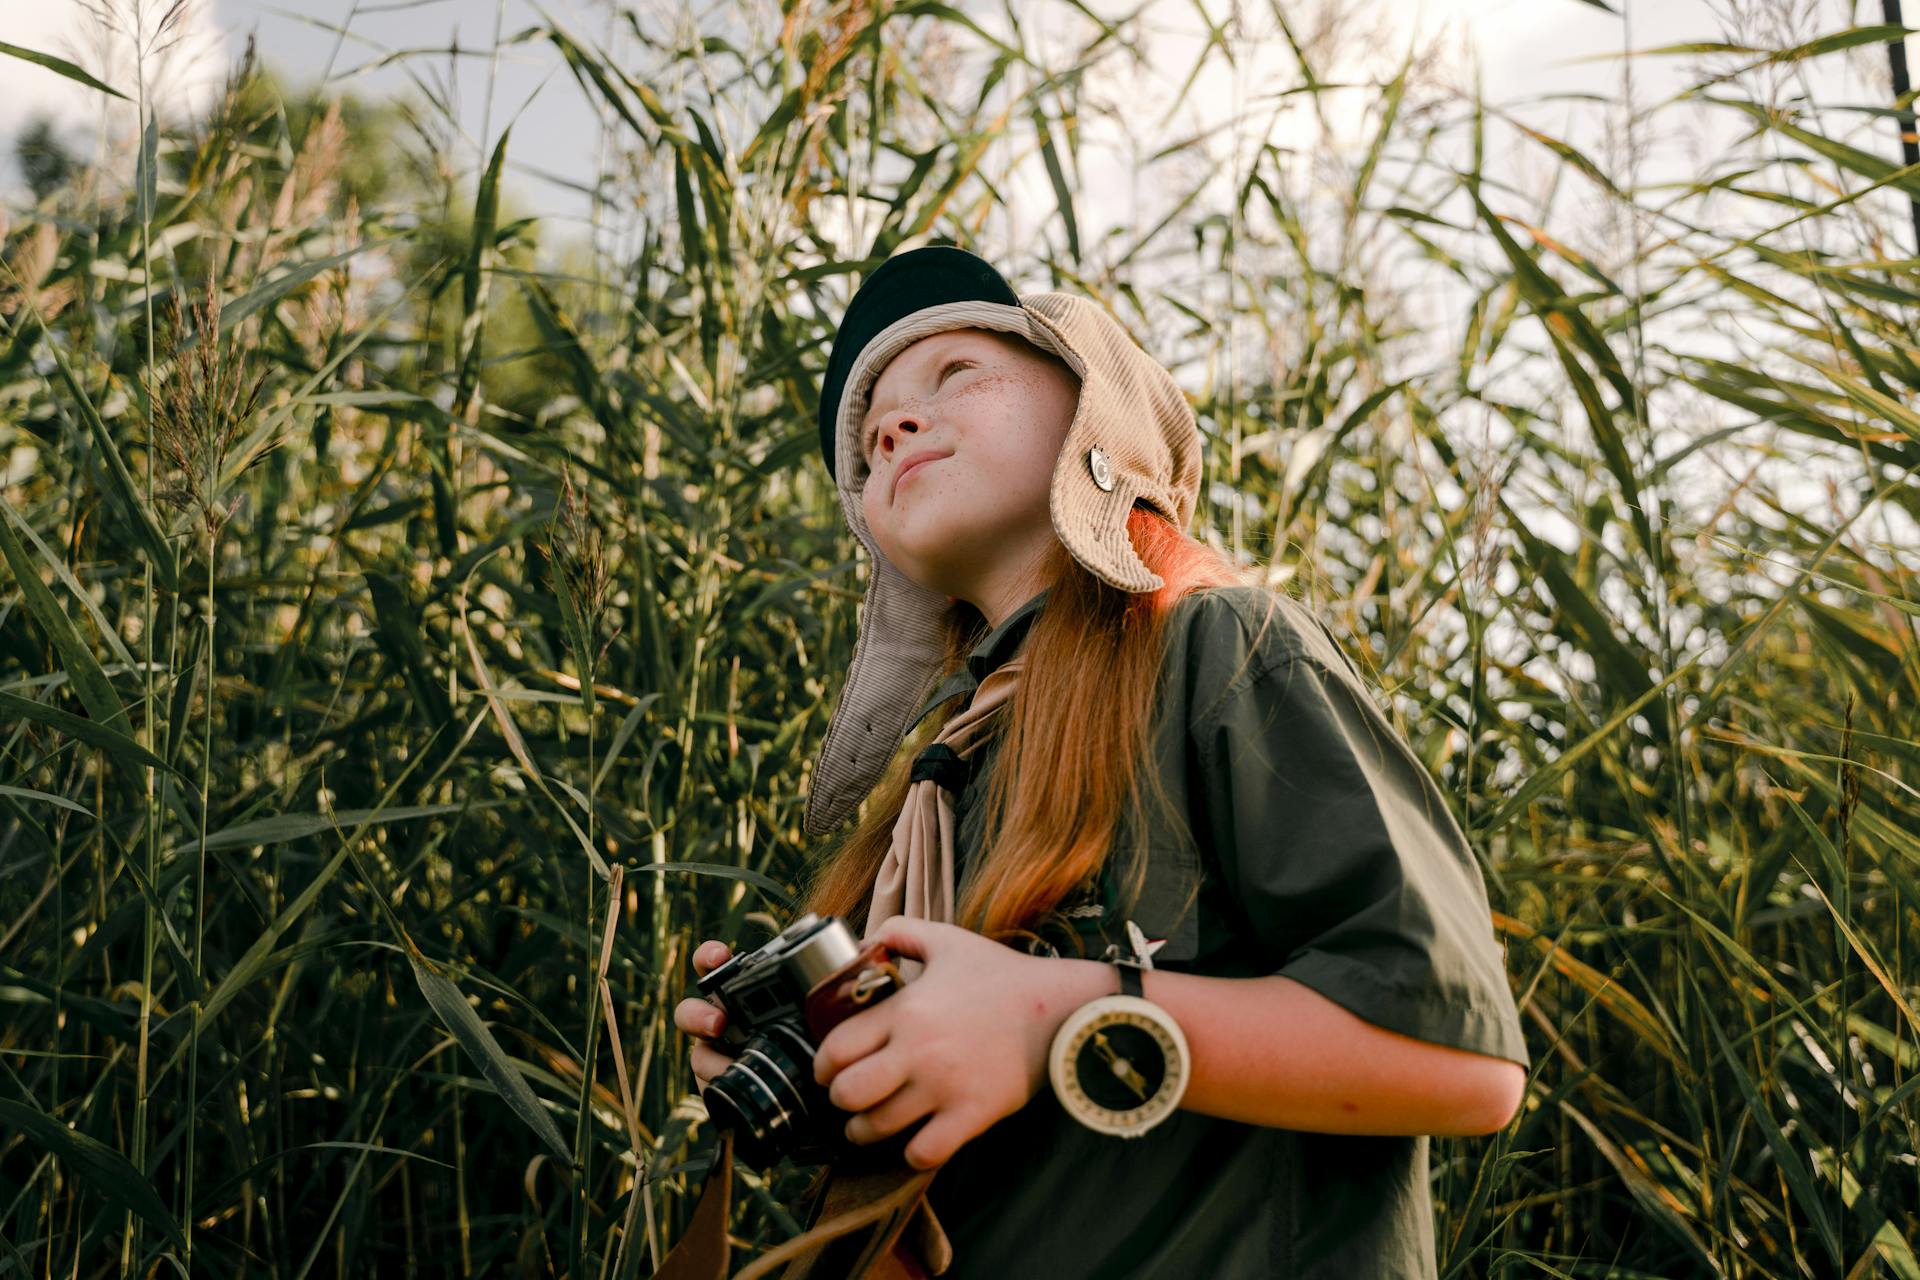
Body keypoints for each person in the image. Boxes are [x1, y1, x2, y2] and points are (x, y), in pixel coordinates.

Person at [672, 244, 1531, 1278]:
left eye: (956, 375)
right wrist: (839, 1084)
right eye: (867, 442)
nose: (891, 425)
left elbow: (1461, 1059)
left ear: (1096, 418)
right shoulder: (930, 798)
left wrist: (1058, 1014)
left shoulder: (1221, 650)